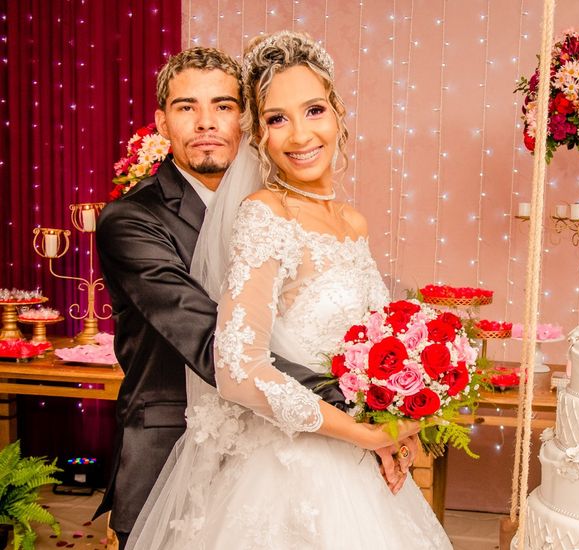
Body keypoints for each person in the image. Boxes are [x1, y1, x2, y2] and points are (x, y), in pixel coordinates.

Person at [126, 32, 451, 549]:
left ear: (339, 115)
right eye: (277, 119)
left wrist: (395, 416)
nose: (300, 135)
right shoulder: (265, 215)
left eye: (314, 110)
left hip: (357, 466)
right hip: (288, 470)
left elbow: (365, 353)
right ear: (260, 136)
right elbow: (237, 371)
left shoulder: (353, 221)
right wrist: (363, 432)